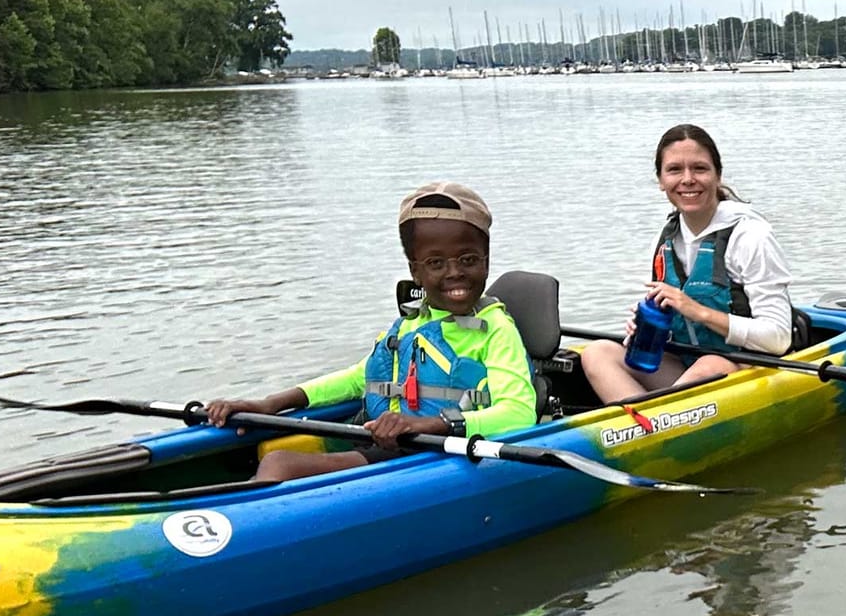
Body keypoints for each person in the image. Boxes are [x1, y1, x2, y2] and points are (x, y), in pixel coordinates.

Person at [205, 183, 537, 482]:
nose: (455, 273)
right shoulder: (413, 323)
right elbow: (360, 377)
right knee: (277, 457)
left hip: (441, 452)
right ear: (415, 271)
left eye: (468, 260)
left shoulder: (496, 331)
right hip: (399, 444)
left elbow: (519, 413)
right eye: (436, 263)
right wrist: (271, 403)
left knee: (281, 464)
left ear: (486, 260)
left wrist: (430, 424)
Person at [580, 124, 794, 402]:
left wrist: (696, 311)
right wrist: (648, 326)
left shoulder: (751, 236)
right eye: (674, 170)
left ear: (718, 175)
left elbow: (778, 339)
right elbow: (675, 320)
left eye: (700, 169)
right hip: (689, 367)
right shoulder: (668, 237)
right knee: (598, 353)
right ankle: (641, 426)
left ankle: (651, 428)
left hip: (747, 369)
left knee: (710, 365)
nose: (688, 179)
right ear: (660, 180)